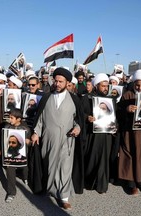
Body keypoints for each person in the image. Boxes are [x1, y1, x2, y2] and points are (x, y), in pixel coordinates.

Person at [31, 67, 84, 210]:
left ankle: (64, 196)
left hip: (67, 140)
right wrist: (36, 132)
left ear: (67, 83)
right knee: (49, 165)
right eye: (56, 81)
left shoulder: (74, 99)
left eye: (61, 81)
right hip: (48, 139)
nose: (57, 84)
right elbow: (40, 118)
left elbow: (78, 119)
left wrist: (77, 128)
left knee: (65, 167)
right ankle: (50, 189)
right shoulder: (46, 97)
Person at [116, 69, 141, 196]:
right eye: (137, 85)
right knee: (129, 156)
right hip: (129, 132)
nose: (140, 88)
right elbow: (117, 111)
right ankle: (132, 184)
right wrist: (126, 109)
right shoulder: (127, 95)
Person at [81, 73, 114, 193]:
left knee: (104, 160)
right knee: (91, 157)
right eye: (103, 86)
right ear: (96, 86)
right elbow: (79, 114)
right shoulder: (87, 98)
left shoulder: (110, 99)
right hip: (92, 135)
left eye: (107, 86)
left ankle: (101, 185)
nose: (106, 88)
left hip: (106, 135)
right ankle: (89, 182)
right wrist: (87, 118)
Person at [0, 108, 31, 203]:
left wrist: (29, 142)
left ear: (18, 119)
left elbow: (30, 142)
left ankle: (25, 178)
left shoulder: (26, 129)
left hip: (22, 156)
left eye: (11, 118)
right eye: (9, 117)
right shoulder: (7, 127)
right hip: (9, 155)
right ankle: (11, 192)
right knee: (10, 172)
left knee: (24, 169)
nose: (9, 120)